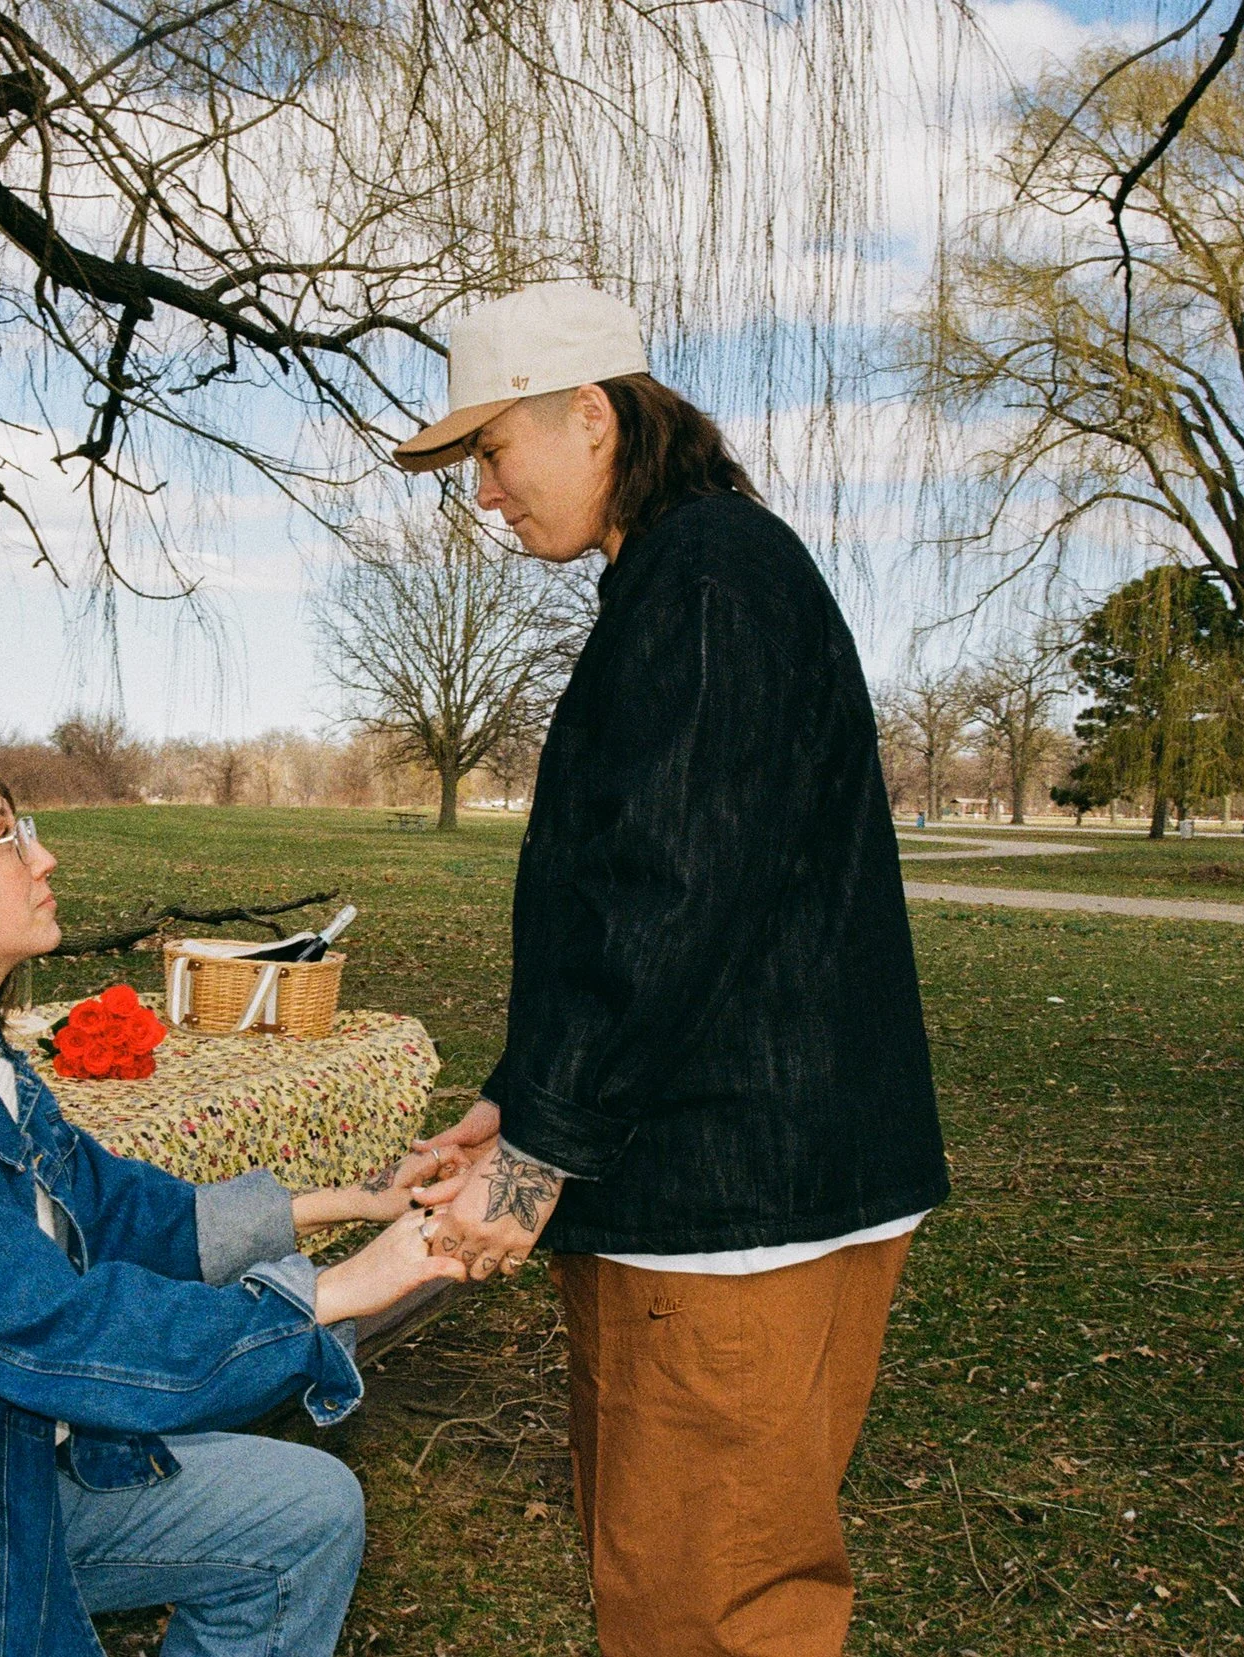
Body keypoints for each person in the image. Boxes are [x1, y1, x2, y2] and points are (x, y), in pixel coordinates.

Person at [391, 284, 950, 1656]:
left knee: (702, 1613)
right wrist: (521, 1103)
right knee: (709, 1586)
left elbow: (665, 908)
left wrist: (535, 1161)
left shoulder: (704, 585)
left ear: (591, 414)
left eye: (490, 451)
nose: (483, 494)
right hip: (737, 1181)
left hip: (732, 1205)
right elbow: (658, 900)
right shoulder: (699, 574)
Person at [0, 752, 462, 1657]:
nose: (43, 859)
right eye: (4, 837)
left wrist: (356, 1199)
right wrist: (336, 1290)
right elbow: (58, 1333)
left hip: (15, 1470)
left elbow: (116, 1207)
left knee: (305, 1512)